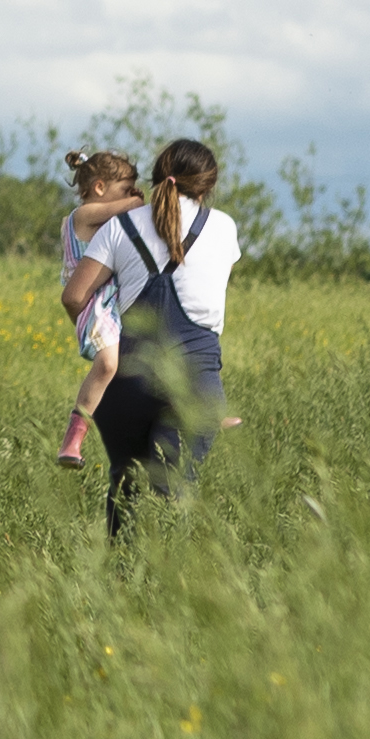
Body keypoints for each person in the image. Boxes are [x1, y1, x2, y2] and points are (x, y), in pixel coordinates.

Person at [83, 134, 242, 537]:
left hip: (128, 381)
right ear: (207, 185)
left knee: (125, 489)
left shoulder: (118, 227)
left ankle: (119, 585)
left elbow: (74, 295)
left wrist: (96, 340)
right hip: (195, 382)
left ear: (157, 177)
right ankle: (172, 590)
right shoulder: (223, 227)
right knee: (175, 494)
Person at [53, 147, 145, 466]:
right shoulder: (81, 215)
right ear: (100, 188)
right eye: (124, 188)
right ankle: (73, 439)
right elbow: (130, 208)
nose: (131, 196)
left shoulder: (103, 217)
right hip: (93, 303)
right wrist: (137, 199)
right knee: (107, 364)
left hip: (110, 298)